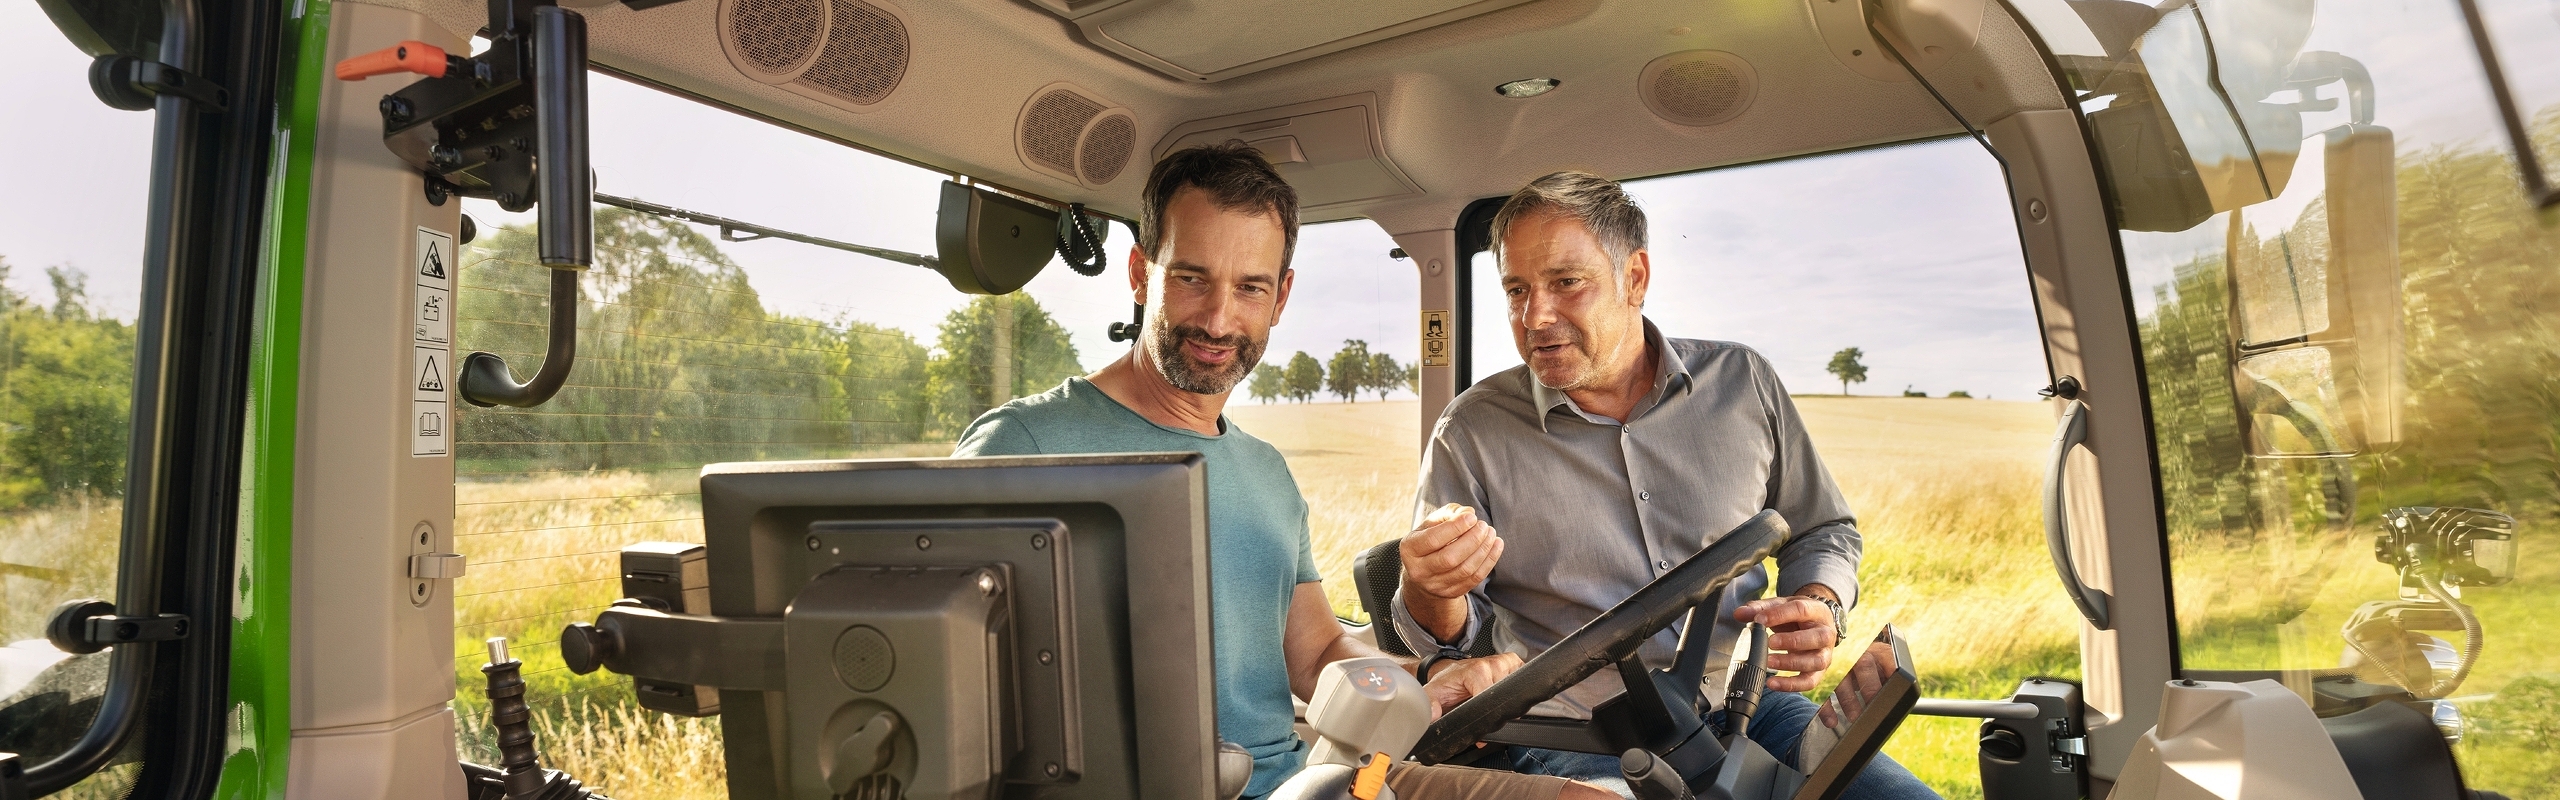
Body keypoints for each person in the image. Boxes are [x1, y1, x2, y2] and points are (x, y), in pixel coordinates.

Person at [953, 143, 1614, 800]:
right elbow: (958, 685)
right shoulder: (1024, 445)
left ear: (1281, 297)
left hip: (1307, 781)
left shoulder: (1265, 471)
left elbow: (1317, 656)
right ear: (1139, 272)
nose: (1219, 318)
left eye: (1250, 288)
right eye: (1191, 278)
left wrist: (1427, 677)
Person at [1389, 171, 1940, 800]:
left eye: (1566, 283)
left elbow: (1822, 528)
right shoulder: (1472, 430)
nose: (1534, 316)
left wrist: (1820, 603)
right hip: (1579, 733)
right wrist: (1430, 586)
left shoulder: (1742, 382)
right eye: (1516, 289)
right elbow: (1448, 640)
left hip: (1749, 708)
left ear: (1635, 278)